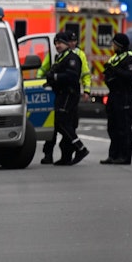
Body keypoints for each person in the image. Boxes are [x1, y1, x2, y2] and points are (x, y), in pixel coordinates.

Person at [43, 31, 89, 166]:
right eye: (56, 43)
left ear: (66, 44)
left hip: (69, 95)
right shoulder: (60, 58)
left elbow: (72, 76)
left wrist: (55, 77)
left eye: (60, 43)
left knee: (62, 121)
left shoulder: (72, 58)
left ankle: (80, 148)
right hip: (61, 94)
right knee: (59, 124)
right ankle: (66, 156)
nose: (57, 45)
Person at [102, 32, 132, 164]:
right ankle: (113, 155)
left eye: (114, 44)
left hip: (124, 96)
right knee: (113, 127)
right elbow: (109, 76)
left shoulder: (130, 59)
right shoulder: (114, 58)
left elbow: (129, 77)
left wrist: (114, 71)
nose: (112, 46)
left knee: (124, 128)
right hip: (113, 95)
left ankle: (124, 156)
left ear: (120, 45)